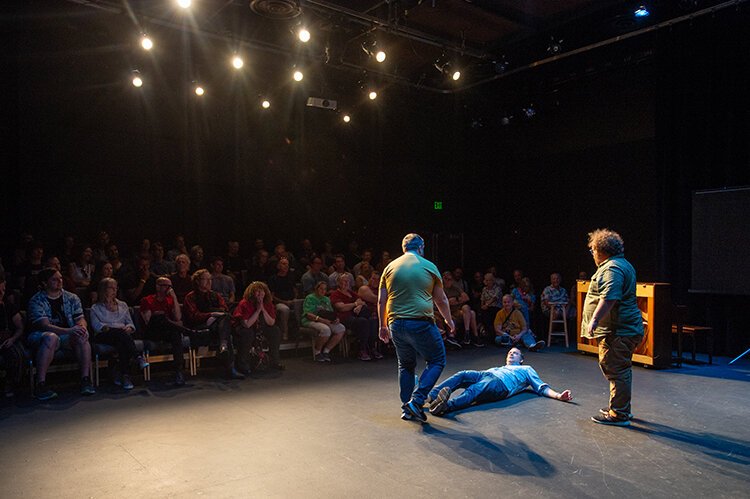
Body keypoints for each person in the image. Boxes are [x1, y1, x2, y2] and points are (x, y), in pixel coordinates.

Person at [378, 233, 455, 423]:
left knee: (405, 365)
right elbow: (441, 299)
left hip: (396, 324)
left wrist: (382, 325)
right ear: (421, 247)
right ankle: (417, 400)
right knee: (437, 360)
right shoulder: (428, 266)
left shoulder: (389, 267)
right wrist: (449, 321)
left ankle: (406, 407)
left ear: (404, 248)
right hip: (420, 322)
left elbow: (381, 300)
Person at [582, 229, 643, 426]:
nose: (592, 254)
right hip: (623, 329)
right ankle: (619, 407)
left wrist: (594, 320)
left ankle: (619, 413)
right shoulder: (621, 264)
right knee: (618, 368)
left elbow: (610, 297)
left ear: (601, 250)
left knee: (616, 368)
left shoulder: (612, 269)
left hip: (618, 330)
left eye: (593, 250)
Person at [428, 347, 572, 416]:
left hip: (501, 384)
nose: (511, 353)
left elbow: (541, 387)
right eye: (510, 352)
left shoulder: (527, 369)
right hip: (487, 373)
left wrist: (559, 396)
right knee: (462, 375)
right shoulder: (501, 366)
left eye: (515, 353)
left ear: (521, 359)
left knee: (474, 390)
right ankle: (432, 395)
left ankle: (446, 406)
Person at [27, 268, 96, 399]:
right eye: (54, 279)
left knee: (82, 336)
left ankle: (85, 380)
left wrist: (82, 328)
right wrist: (70, 330)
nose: (59, 281)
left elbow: (80, 318)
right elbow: (45, 325)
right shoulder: (36, 300)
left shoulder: (72, 298)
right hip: (40, 335)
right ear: (45, 283)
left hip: (66, 335)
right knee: (51, 338)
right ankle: (40, 384)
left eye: (60, 278)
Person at [183, 269, 244, 380]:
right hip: (200, 326)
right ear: (197, 281)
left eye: (210, 279)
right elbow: (194, 316)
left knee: (224, 320)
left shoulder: (215, 295)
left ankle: (223, 345)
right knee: (225, 330)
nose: (209, 282)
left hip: (217, 325)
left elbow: (224, 310)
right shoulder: (190, 297)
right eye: (206, 279)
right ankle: (229, 365)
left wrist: (215, 315)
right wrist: (210, 314)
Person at [90, 277, 148, 390]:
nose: (114, 290)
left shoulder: (123, 305)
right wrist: (117, 328)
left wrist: (129, 328)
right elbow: (97, 326)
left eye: (116, 288)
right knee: (119, 334)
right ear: (103, 290)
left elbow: (130, 324)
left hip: (121, 336)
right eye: (111, 288)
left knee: (122, 342)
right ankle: (137, 357)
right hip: (104, 335)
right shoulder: (96, 307)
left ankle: (124, 376)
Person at [140, 276, 188, 385]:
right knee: (159, 316)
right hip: (152, 332)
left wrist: (174, 298)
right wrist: (170, 322)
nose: (169, 289)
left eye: (170, 286)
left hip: (168, 331)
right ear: (158, 287)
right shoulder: (147, 300)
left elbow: (178, 317)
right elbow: (148, 321)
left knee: (175, 334)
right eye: (166, 286)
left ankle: (178, 371)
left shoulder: (170, 300)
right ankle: (186, 331)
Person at [232, 281, 284, 373]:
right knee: (247, 333)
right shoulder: (244, 303)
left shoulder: (268, 303)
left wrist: (263, 309)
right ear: (252, 293)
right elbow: (246, 324)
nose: (260, 294)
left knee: (275, 330)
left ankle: (274, 361)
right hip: (244, 328)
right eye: (257, 291)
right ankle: (243, 364)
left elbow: (271, 322)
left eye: (262, 291)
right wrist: (257, 311)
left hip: (260, 325)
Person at [331, 274, 380, 361]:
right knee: (363, 321)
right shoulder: (335, 294)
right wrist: (355, 304)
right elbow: (342, 307)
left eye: (348, 281)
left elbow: (361, 301)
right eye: (344, 281)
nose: (346, 283)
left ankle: (372, 348)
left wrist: (359, 306)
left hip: (355, 315)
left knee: (372, 320)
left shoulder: (351, 292)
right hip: (344, 317)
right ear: (338, 282)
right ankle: (362, 350)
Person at [301, 281, 346, 362]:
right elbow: (308, 314)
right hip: (312, 320)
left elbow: (331, 313)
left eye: (325, 289)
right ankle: (317, 351)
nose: (323, 291)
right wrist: (322, 320)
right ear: (316, 289)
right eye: (321, 289)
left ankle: (326, 351)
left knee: (341, 328)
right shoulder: (310, 298)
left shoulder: (326, 299)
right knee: (326, 329)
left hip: (326, 320)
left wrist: (336, 319)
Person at [443, 271, 483, 347]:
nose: (449, 281)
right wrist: (457, 300)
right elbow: (447, 302)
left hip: (459, 310)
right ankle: (472, 336)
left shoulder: (455, 288)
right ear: (443, 279)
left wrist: (456, 299)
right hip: (449, 311)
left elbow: (466, 298)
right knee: (472, 313)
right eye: (447, 279)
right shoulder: (442, 289)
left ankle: (469, 334)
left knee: (467, 309)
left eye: (450, 279)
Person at [0, 274, 25, 397]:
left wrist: (12, 339)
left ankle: (12, 383)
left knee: (16, 355)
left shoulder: (8, 306)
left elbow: (20, 327)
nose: (1, 293)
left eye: (3, 290)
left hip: (9, 339)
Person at [267, 257, 298, 340]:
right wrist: (284, 302)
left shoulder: (291, 277)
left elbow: (295, 290)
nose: (286, 266)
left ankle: (298, 331)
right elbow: (272, 296)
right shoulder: (273, 279)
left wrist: (294, 299)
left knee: (300, 304)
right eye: (283, 264)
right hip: (279, 302)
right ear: (278, 266)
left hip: (291, 301)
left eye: (287, 264)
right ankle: (285, 331)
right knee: (285, 310)